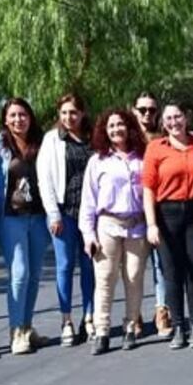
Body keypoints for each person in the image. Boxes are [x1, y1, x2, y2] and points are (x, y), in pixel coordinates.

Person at [0, 98, 52, 355]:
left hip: (39, 217)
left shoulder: (42, 143)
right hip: (9, 218)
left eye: (23, 115)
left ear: (30, 117)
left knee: (33, 274)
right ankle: (15, 330)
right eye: (13, 115)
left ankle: (27, 326)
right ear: (5, 119)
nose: (18, 120)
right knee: (19, 272)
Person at [143, 102, 193, 350]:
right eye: (169, 118)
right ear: (163, 122)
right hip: (166, 214)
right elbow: (148, 188)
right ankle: (178, 326)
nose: (174, 122)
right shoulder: (155, 148)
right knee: (171, 273)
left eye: (178, 116)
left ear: (187, 118)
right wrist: (151, 224)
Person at [79, 108, 149, 355]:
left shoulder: (142, 157)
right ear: (104, 131)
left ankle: (131, 327)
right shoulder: (98, 161)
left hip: (137, 226)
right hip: (107, 225)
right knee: (105, 279)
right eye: (111, 126)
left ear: (129, 127)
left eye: (120, 124)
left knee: (133, 277)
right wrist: (88, 235)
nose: (116, 129)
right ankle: (102, 331)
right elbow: (88, 200)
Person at [36, 93, 95, 347]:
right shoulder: (51, 140)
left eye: (73, 112)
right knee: (65, 266)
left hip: (91, 213)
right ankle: (66, 320)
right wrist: (53, 213)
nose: (69, 117)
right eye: (64, 113)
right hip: (63, 212)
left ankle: (90, 317)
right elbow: (44, 177)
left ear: (82, 114)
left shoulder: (93, 138)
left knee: (90, 265)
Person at [132, 92, 170, 338]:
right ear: (133, 110)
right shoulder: (126, 139)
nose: (147, 114)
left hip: (160, 211)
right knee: (133, 268)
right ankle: (133, 314)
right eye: (142, 109)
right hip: (132, 212)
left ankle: (162, 311)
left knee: (161, 266)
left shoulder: (164, 140)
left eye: (152, 110)